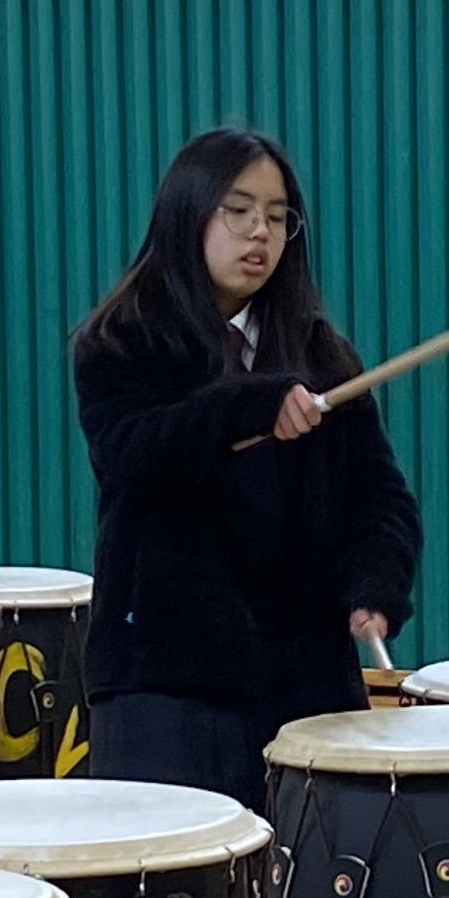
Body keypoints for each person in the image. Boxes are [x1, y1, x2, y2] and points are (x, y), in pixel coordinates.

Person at [74, 128, 421, 805]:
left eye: (278, 217)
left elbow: (380, 495)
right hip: (167, 688)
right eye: (238, 211)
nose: (260, 232)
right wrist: (252, 406)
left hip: (306, 682)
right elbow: (135, 456)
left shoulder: (320, 353)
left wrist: (376, 582)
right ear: (189, 212)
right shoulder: (121, 341)